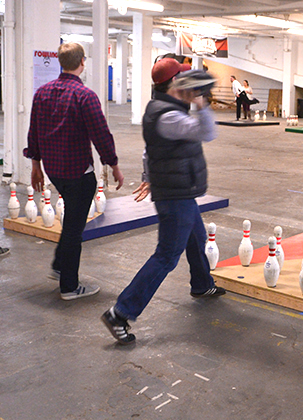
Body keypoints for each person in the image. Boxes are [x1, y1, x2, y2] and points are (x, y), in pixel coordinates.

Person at [101, 58, 225, 345]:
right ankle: (120, 313)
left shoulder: (162, 108)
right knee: (167, 256)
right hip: (175, 194)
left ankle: (202, 284)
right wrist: (202, 102)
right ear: (173, 85)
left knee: (197, 237)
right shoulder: (169, 116)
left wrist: (149, 175)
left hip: (179, 188)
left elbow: (149, 152)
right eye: (183, 79)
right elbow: (207, 132)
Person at [24, 42, 124, 301]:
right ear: (82, 62)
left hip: (54, 170)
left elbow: (33, 132)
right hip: (79, 173)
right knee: (74, 230)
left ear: (60, 62)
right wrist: (113, 164)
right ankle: (69, 286)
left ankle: (59, 265)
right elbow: (100, 134)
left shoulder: (42, 93)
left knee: (70, 223)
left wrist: (36, 166)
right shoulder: (85, 96)